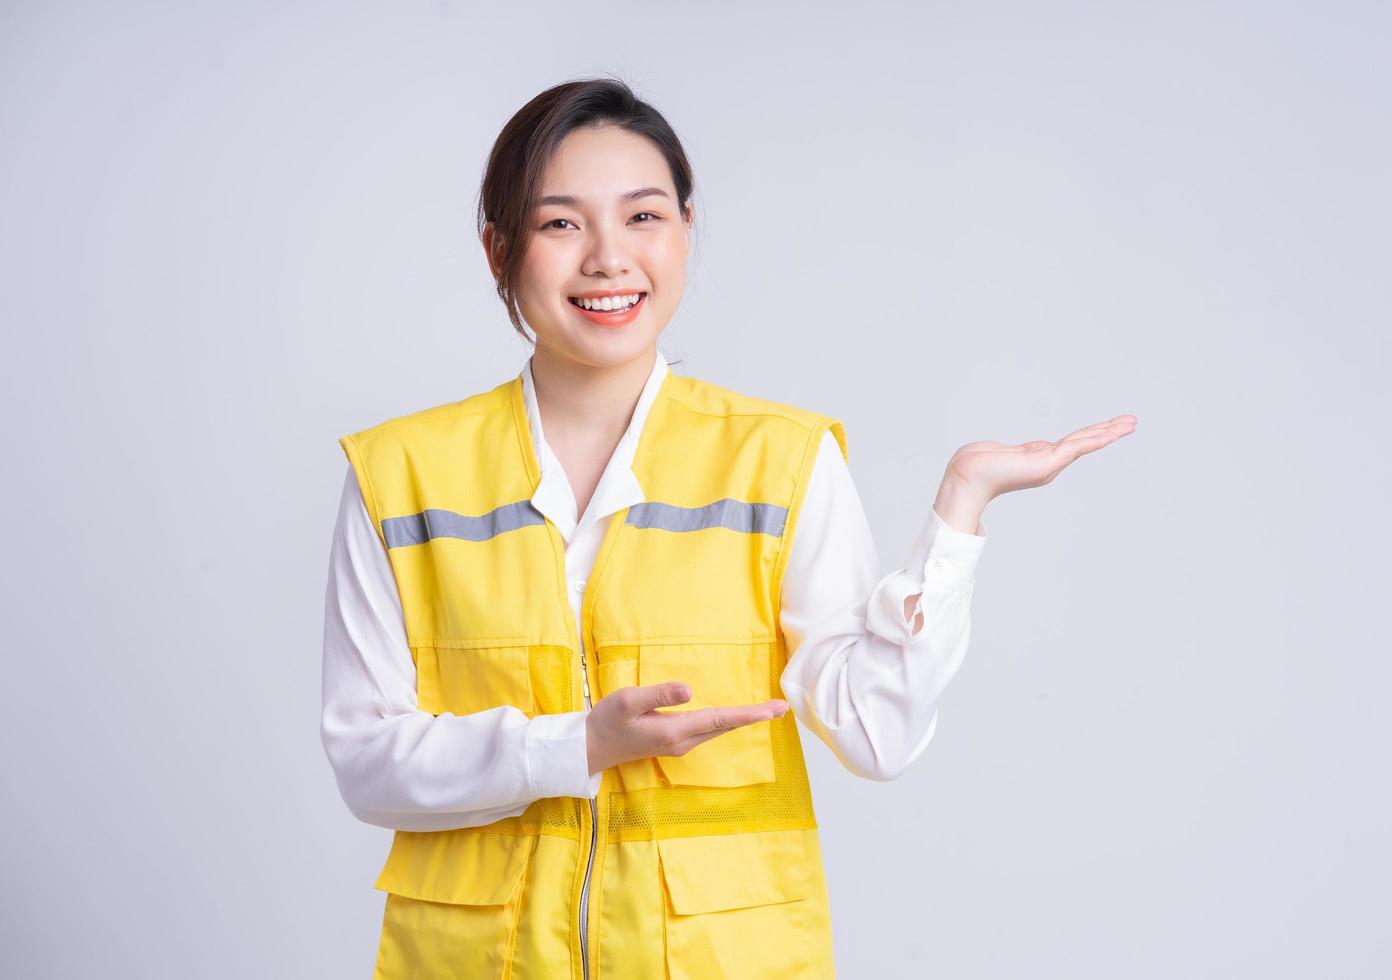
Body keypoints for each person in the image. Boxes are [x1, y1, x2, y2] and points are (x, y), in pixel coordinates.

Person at [320, 76, 1135, 980]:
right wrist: (580, 745)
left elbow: (876, 735)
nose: (607, 259)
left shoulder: (779, 460)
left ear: (685, 229)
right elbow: (365, 762)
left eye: (642, 217)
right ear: (498, 249)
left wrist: (959, 512)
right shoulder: (399, 475)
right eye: (561, 224)